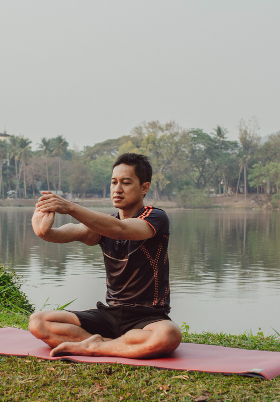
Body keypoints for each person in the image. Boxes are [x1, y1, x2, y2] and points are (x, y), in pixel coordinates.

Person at [28, 152, 182, 359]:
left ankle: (92, 347)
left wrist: (70, 207)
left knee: (168, 335)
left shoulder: (155, 217)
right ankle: (112, 345)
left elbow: (120, 229)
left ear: (144, 187)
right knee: (38, 322)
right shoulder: (101, 225)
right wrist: (44, 231)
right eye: (113, 182)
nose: (117, 189)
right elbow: (67, 232)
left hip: (148, 318)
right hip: (110, 315)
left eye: (126, 183)